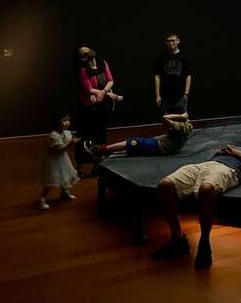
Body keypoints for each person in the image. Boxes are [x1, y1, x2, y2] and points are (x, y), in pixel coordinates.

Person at [152, 134, 241, 268]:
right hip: (204, 165)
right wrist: (219, 152)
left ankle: (204, 241)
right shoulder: (238, 147)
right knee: (165, 185)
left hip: (227, 170)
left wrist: (240, 155)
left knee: (206, 189)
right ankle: (177, 238)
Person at [76, 46, 123, 177]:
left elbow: (110, 80)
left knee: (101, 135)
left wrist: (104, 92)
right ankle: (80, 167)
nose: (86, 56)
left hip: (102, 106)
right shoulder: (83, 69)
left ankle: (98, 165)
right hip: (88, 107)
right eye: (83, 55)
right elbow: (88, 88)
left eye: (87, 53)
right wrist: (106, 94)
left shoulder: (103, 63)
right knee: (85, 135)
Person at [84, 113, 193, 159]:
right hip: (161, 144)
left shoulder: (180, 127)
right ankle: (106, 151)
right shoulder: (188, 125)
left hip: (159, 146)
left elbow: (164, 118)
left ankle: (100, 150)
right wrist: (182, 117)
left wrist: (180, 116)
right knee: (134, 145)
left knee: (133, 142)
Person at [37, 112, 80, 210]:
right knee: (53, 179)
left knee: (65, 175)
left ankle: (64, 193)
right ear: (56, 123)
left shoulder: (67, 133)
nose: (67, 122)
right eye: (64, 120)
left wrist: (75, 141)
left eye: (68, 120)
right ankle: (42, 199)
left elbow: (66, 147)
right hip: (53, 161)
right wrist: (70, 143)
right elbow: (59, 150)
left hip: (62, 158)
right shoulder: (53, 136)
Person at [153, 33, 191, 115]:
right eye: (168, 41)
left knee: (182, 118)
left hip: (180, 95)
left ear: (178, 41)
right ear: (166, 42)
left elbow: (188, 75)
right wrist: (157, 95)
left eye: (173, 40)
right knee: (164, 118)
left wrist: (186, 93)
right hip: (165, 96)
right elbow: (157, 76)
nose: (171, 43)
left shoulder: (184, 57)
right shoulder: (161, 57)